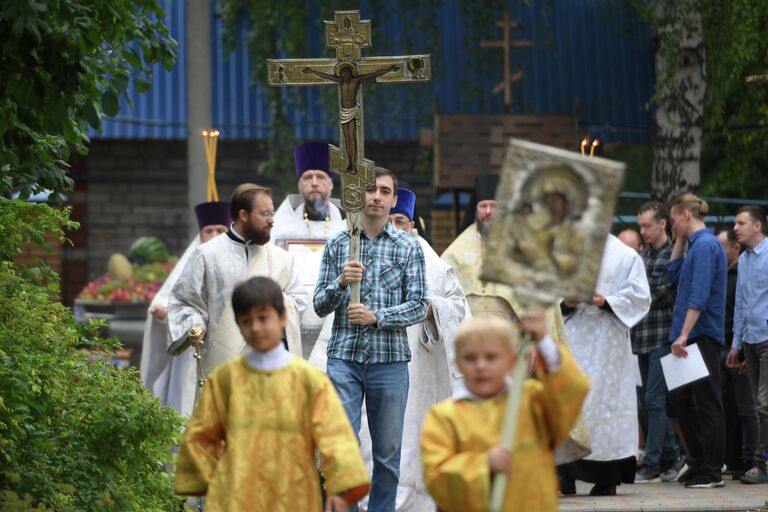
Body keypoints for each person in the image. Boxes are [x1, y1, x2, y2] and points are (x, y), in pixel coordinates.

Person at [175, 276, 370, 511]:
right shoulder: (224, 380)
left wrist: (342, 487)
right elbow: (201, 437)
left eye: (263, 318)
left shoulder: (309, 380)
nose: (256, 327)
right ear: (239, 325)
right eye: (247, 321)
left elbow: (336, 437)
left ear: (283, 318)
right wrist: (200, 490)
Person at [313, 168, 428, 512]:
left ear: (394, 199)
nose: (376, 196)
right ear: (357, 197)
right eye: (369, 190)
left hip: (389, 361)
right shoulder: (338, 243)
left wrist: (378, 317)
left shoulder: (410, 247)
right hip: (344, 359)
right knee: (342, 448)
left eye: (384, 191)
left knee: (388, 453)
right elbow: (319, 305)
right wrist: (340, 283)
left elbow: (420, 305)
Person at [353, 188, 469, 512]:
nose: (393, 225)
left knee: (412, 445)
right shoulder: (361, 254)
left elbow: (459, 307)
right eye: (388, 219)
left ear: (413, 224)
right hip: (372, 365)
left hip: (418, 371)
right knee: (371, 440)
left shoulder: (431, 260)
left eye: (400, 220)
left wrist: (432, 309)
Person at [419, 313, 591, 512]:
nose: (480, 366)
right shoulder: (444, 416)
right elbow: (436, 476)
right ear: (457, 362)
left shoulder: (530, 402)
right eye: (470, 358)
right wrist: (484, 465)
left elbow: (570, 391)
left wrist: (543, 341)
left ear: (511, 361)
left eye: (491, 357)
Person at [167, 183, 307, 388]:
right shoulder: (207, 255)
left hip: (270, 368)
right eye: (265, 213)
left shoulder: (281, 259)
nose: (272, 220)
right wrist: (194, 325)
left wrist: (272, 301)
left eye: (272, 213)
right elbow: (183, 301)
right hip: (222, 365)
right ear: (243, 215)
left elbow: (299, 301)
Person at [558, 234, 651, 496]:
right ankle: (565, 475)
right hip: (572, 338)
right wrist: (567, 302)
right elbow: (545, 296)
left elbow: (639, 297)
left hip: (607, 343)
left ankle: (607, 478)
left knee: (605, 404)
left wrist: (604, 301)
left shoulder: (625, 256)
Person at [140, 200, 230, 416]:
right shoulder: (192, 260)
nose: (215, 235)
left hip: (228, 344)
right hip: (193, 349)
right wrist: (163, 313)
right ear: (200, 235)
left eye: (221, 230)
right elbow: (166, 301)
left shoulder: (239, 261)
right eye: (209, 231)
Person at [667, 193, 727, 488]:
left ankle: (712, 470)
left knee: (707, 403)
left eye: (674, 219)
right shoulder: (693, 246)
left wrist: (684, 333)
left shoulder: (705, 245)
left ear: (685, 215)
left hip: (699, 334)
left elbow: (699, 294)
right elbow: (672, 273)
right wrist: (679, 239)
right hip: (689, 334)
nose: (672, 225)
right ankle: (699, 460)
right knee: (679, 401)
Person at [271, 142, 347, 355]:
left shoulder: (348, 229)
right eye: (307, 177)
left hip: (337, 330)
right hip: (290, 328)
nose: (314, 183)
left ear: (331, 184)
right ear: (299, 184)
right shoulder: (278, 229)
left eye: (321, 177)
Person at [631, 202, 682, 482]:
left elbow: (661, 296)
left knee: (654, 399)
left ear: (663, 223)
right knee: (645, 403)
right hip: (641, 336)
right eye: (640, 225)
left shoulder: (672, 255)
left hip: (662, 337)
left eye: (647, 225)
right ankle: (672, 455)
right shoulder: (641, 256)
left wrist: (639, 293)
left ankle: (652, 463)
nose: (643, 231)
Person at [727, 205, 768, 484]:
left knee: (763, 403)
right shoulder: (743, 260)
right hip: (751, 340)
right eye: (735, 223)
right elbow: (740, 303)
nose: (735, 228)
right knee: (757, 404)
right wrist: (735, 343)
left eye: (741, 223)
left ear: (757, 226)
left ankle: (761, 463)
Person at [718, 227, 759, 480]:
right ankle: (731, 460)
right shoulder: (718, 275)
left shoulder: (742, 273)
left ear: (735, 248)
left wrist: (742, 348)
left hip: (741, 346)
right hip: (722, 346)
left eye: (721, 247)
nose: (716, 252)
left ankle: (751, 459)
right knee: (726, 407)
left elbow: (745, 310)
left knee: (748, 408)